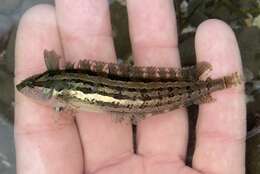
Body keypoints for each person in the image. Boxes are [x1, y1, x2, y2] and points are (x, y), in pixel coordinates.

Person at [14, 0, 246, 173]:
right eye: (32, 85)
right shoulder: (61, 89)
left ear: (53, 91)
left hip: (129, 94)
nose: (28, 89)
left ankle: (218, 84)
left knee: (164, 94)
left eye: (33, 86)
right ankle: (218, 84)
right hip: (122, 94)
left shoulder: (62, 94)